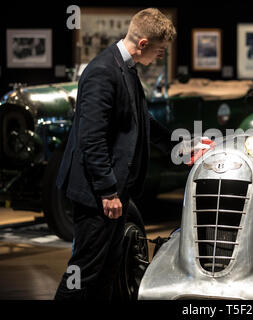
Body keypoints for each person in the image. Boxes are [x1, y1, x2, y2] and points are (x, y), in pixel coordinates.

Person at [53, 8, 180, 300]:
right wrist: (108, 191)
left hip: (115, 193)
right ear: (144, 44)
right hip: (97, 196)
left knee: (108, 270)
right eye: (160, 50)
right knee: (84, 274)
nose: (161, 56)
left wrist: (179, 146)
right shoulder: (102, 71)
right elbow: (91, 138)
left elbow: (142, 121)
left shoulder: (126, 69)